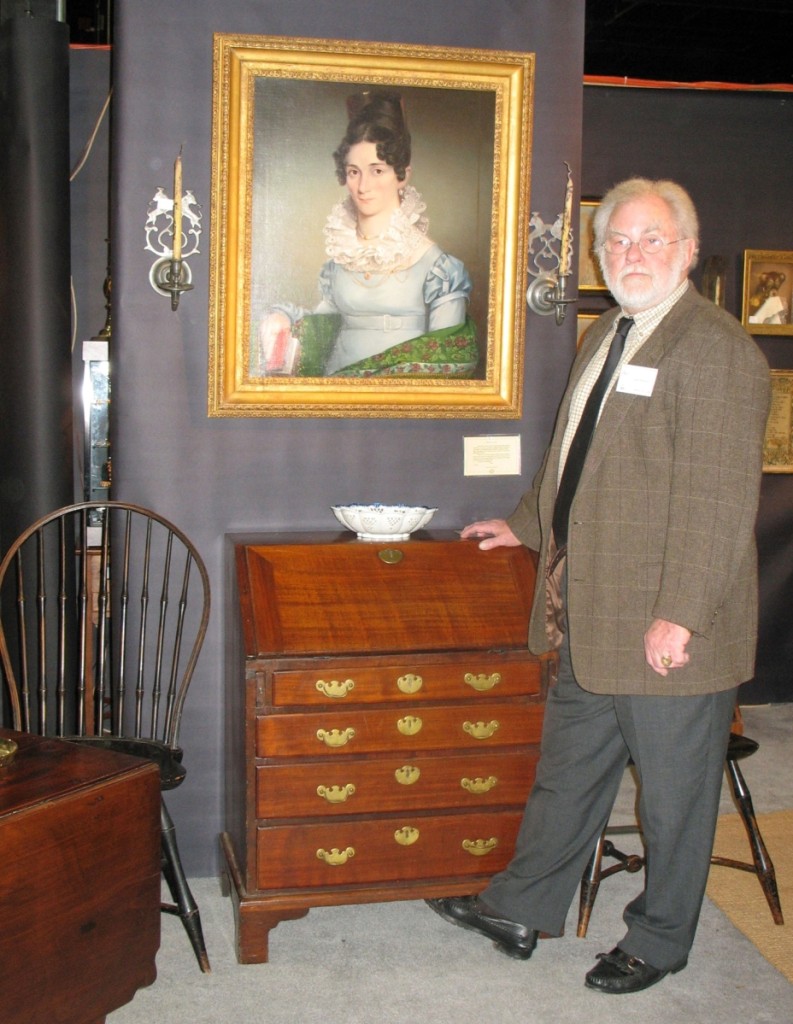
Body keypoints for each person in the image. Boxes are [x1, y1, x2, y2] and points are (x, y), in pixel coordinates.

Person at [427, 178, 771, 994]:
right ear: (597, 254)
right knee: (569, 768)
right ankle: (521, 905)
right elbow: (570, 458)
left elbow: (715, 505)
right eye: (616, 241)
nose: (631, 255)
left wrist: (679, 616)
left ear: (688, 251)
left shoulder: (715, 350)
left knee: (673, 797)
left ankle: (659, 940)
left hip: (665, 626)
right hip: (590, 608)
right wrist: (530, 523)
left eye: (652, 239)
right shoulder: (605, 334)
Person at [256, 91, 478, 378]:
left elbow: (448, 359)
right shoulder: (339, 259)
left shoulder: (438, 268)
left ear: (402, 175)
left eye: (377, 170)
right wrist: (281, 318)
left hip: (405, 405)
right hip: (337, 395)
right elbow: (322, 330)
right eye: (353, 172)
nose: (363, 186)